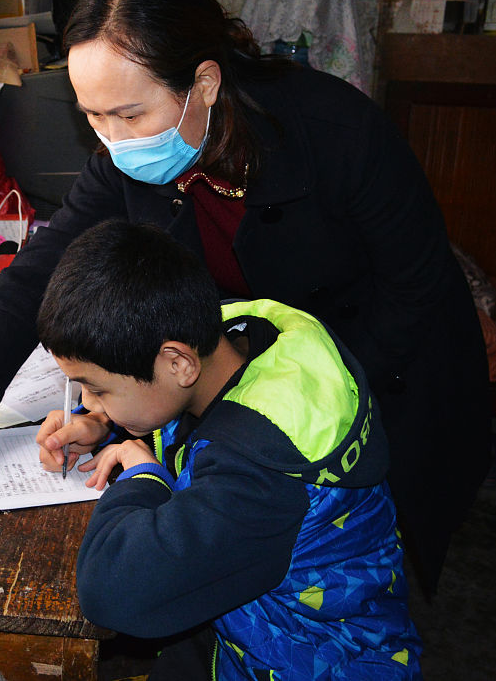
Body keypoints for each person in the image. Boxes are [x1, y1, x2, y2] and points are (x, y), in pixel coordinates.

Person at [0, 0, 491, 595]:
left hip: (379, 371)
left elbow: (413, 293)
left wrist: (251, 424)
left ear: (206, 85)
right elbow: (40, 272)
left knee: (353, 578)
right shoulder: (132, 156)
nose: (112, 139)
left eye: (131, 115)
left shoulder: (338, 135)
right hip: (256, 376)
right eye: (93, 117)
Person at [35, 219, 421, 679]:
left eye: (95, 388)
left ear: (178, 362)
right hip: (245, 628)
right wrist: (105, 424)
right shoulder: (235, 337)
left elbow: (112, 593)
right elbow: (177, 412)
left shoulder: (261, 476)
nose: (85, 402)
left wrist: (143, 476)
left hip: (307, 663)